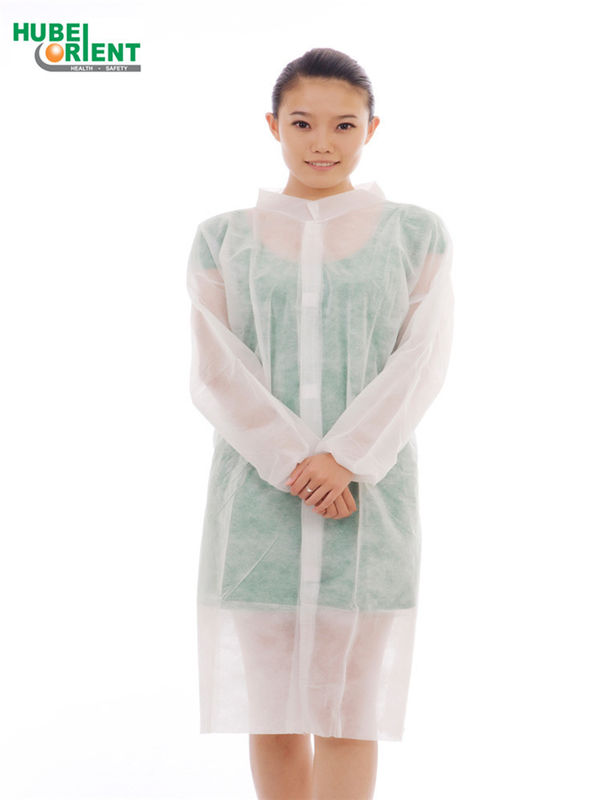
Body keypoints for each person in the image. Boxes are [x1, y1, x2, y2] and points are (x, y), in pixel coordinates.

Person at [186, 47, 454, 800]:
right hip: (257, 508)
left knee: (347, 713)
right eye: (303, 123)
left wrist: (347, 458)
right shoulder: (222, 238)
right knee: (272, 716)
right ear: (274, 125)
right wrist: (296, 464)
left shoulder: (416, 234)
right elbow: (217, 368)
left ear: (372, 128)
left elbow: (422, 359)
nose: (323, 142)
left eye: (344, 125)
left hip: (368, 506)